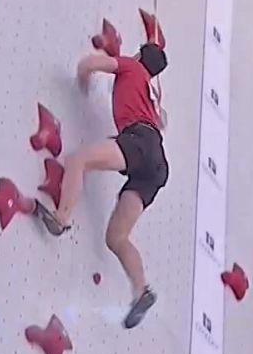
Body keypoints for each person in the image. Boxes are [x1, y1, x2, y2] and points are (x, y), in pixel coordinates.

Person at [36, 42, 170, 329]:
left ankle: (62, 218)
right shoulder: (152, 97)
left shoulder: (131, 66)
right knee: (116, 238)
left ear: (137, 56)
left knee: (79, 159)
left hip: (139, 142)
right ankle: (141, 290)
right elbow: (162, 122)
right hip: (157, 165)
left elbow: (88, 64)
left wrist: (82, 82)